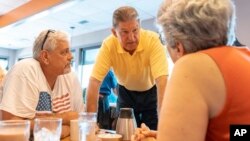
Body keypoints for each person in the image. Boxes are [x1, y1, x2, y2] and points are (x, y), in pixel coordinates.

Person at [133, 0, 250, 141]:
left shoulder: (191, 65)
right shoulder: (244, 56)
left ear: (178, 46)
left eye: (164, 40)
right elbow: (237, 132)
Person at [86, 6, 168, 130]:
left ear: (139, 26)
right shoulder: (108, 45)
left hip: (151, 92)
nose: (131, 38)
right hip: (125, 93)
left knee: (154, 131)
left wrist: (165, 128)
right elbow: (94, 82)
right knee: (124, 132)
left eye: (135, 30)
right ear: (114, 32)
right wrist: (90, 125)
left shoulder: (153, 40)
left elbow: (162, 82)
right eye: (124, 32)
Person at [0, 29, 84, 138]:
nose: (71, 56)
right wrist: (65, 118)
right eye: (64, 52)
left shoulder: (70, 77)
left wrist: (53, 126)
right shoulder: (26, 70)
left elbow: (82, 121)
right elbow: (11, 125)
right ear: (45, 57)